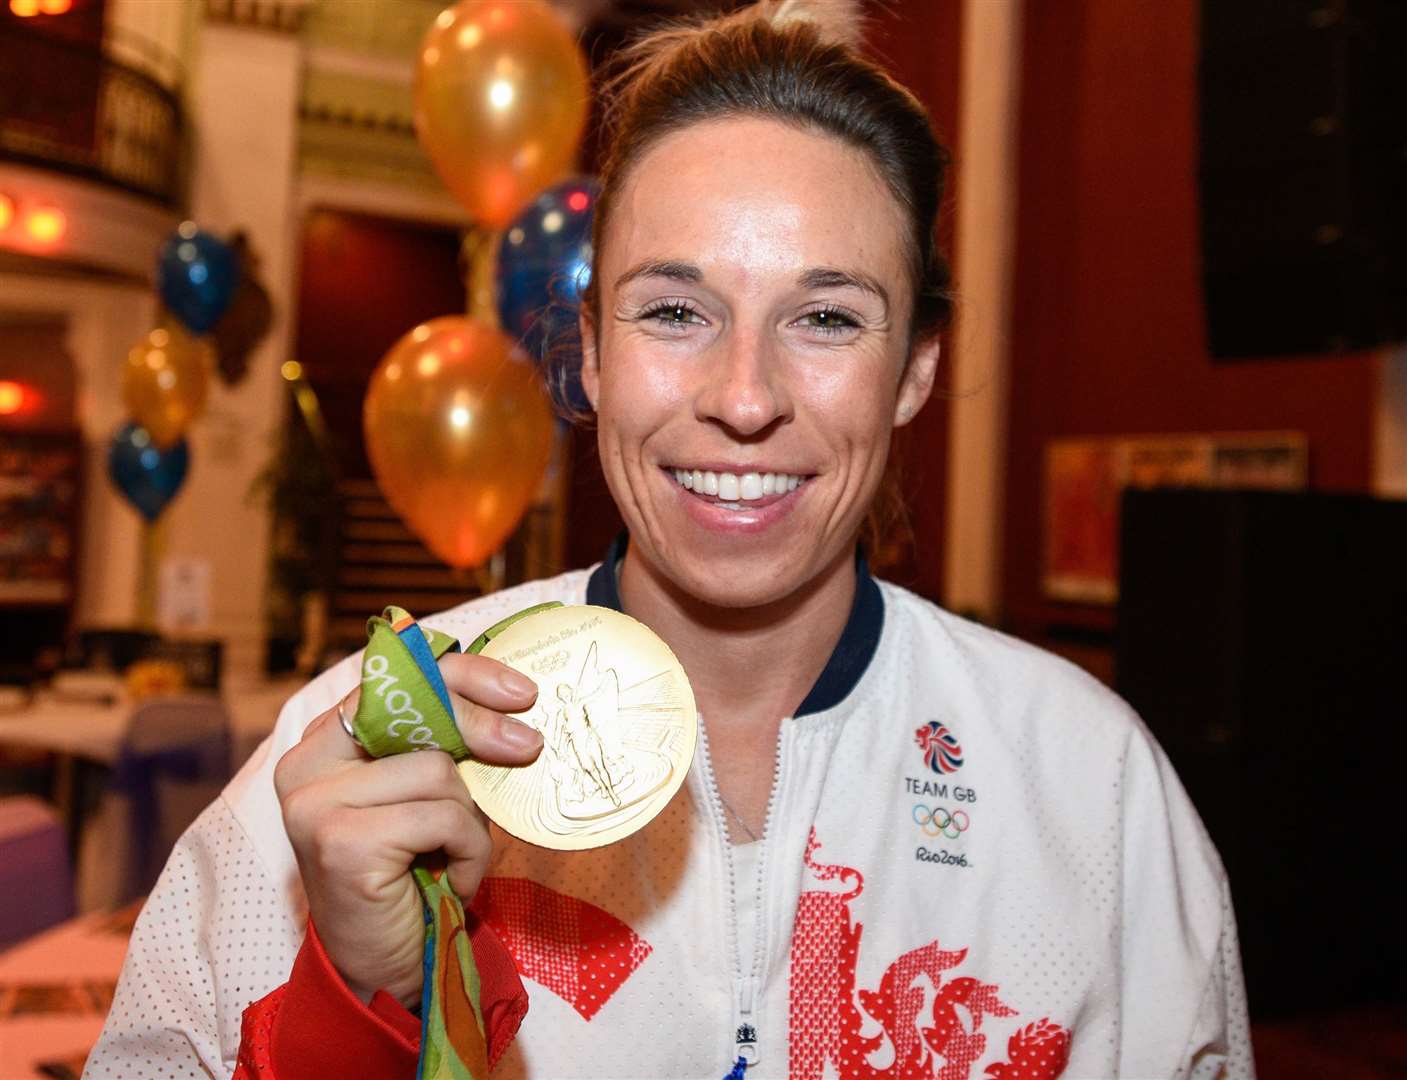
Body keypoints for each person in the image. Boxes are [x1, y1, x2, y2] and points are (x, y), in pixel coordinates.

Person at [86, 2, 1254, 1078]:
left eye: (829, 316)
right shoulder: (355, 765)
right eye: (677, 311)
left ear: (916, 371)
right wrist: (367, 997)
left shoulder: (1089, 787)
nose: (744, 397)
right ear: (591, 350)